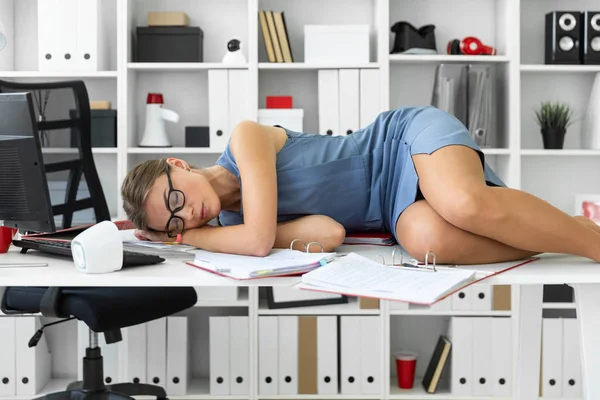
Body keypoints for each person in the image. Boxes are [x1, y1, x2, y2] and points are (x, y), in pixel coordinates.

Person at [121, 106, 600, 265]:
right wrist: (206, 234)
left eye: (175, 198)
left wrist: (186, 239)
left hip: (399, 142)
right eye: (176, 221)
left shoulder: (245, 141)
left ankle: (590, 241)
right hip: (392, 211)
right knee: (427, 241)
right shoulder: (230, 225)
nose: (190, 213)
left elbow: (259, 240)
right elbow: (329, 233)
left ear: (176, 163)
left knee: (460, 202)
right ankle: (562, 234)